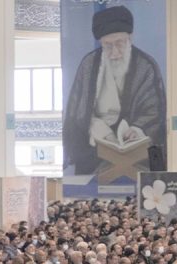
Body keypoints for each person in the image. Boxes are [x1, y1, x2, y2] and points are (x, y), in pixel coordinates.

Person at [63, 5, 166, 175]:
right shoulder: (89, 64)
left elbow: (154, 111)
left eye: (119, 43)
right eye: (108, 45)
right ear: (101, 43)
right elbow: (78, 111)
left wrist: (137, 129)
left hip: (135, 148)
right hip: (95, 146)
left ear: (130, 38)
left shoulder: (145, 65)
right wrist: (101, 131)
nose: (115, 52)